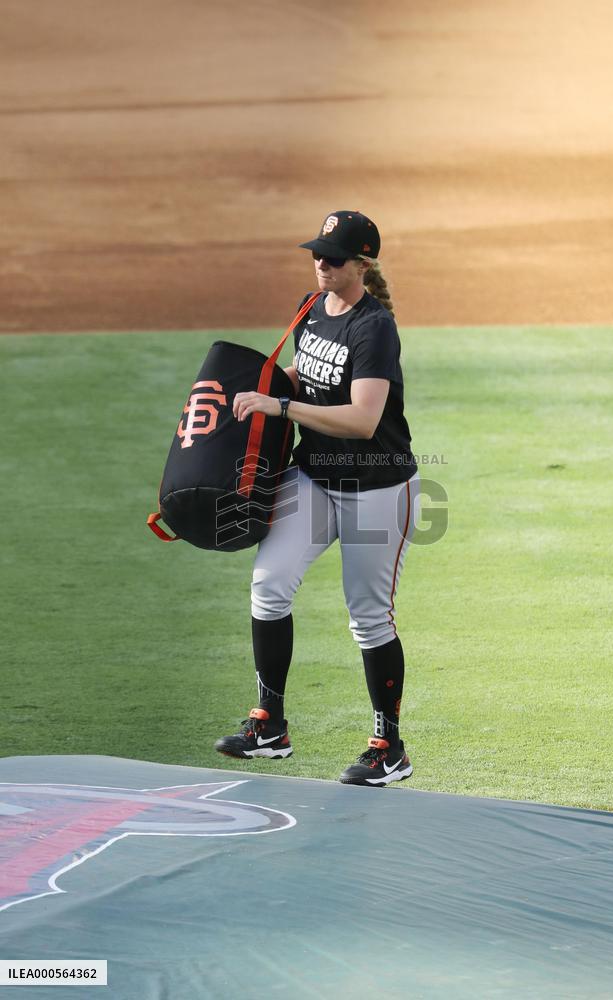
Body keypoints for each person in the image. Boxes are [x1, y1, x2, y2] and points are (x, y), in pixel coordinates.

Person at [215, 210, 420, 786]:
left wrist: (279, 408)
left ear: (363, 262)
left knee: (368, 617)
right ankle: (269, 726)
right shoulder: (309, 308)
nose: (321, 263)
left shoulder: (373, 327)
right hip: (314, 478)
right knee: (268, 584)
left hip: (379, 487)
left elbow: (361, 419)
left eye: (333, 256)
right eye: (317, 253)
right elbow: (303, 383)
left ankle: (389, 747)